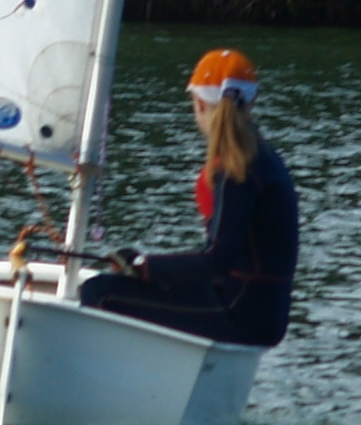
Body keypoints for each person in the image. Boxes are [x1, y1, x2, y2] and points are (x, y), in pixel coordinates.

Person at [74, 48, 298, 346]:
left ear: (200, 104)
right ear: (252, 102)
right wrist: (146, 268)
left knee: (99, 292)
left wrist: (146, 266)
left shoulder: (236, 168)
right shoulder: (265, 157)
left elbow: (216, 259)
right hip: (261, 311)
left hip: (240, 312)